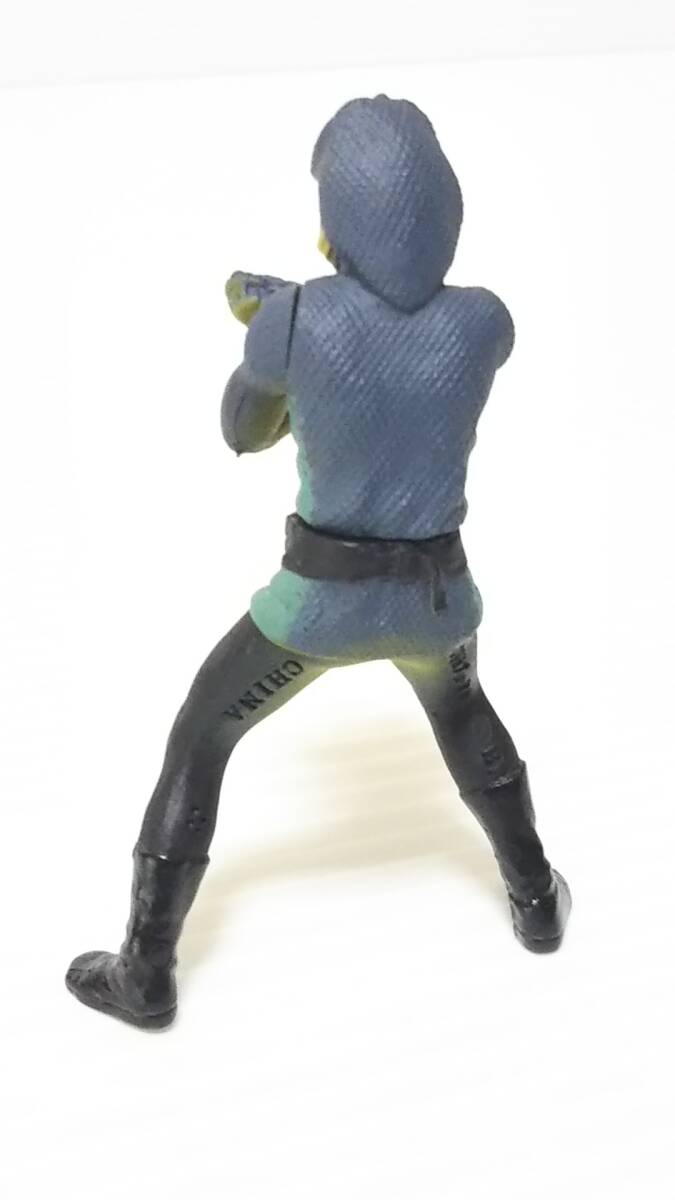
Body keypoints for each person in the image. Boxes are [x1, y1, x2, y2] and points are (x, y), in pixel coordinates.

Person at [66, 95, 571, 1029]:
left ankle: (145, 969)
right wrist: (306, 320)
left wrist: (273, 336)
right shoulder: (487, 323)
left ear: (334, 214)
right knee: (463, 714)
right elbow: (404, 370)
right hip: (436, 602)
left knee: (201, 734)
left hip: (320, 606)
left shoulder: (296, 318)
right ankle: (536, 900)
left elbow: (243, 432)